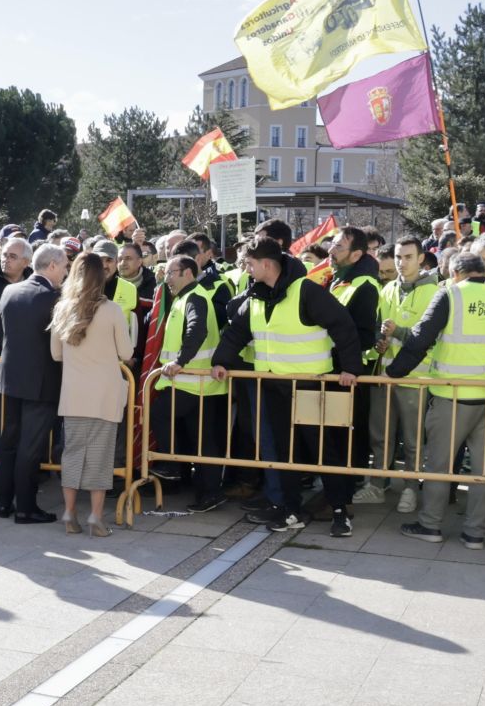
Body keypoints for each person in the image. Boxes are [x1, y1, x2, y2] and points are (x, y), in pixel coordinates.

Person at [209, 237, 365, 537]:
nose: (247, 269)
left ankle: (340, 511)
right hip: (274, 386)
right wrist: (221, 361)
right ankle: (292, 509)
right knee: (284, 453)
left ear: (267, 264)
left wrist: (350, 368)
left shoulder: (305, 291)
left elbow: (342, 325)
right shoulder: (255, 295)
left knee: (324, 453)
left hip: (311, 386)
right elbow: (235, 333)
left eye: (250, 264)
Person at [384, 251, 485, 551]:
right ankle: (475, 534)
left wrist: (393, 373)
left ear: (455, 273)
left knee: (439, 463)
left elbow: (419, 340)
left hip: (454, 395)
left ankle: (430, 525)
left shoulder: (450, 295)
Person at [51, 246, 133, 536]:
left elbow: (56, 354)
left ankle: (69, 512)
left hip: (73, 393)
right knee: (100, 456)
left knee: (72, 454)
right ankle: (96, 517)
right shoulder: (111, 310)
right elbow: (126, 351)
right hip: (105, 393)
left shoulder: (62, 308)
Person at [154, 254, 231, 512]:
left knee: (161, 414)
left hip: (189, 381)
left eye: (171, 273)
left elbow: (197, 330)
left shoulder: (195, 297)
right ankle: (210, 493)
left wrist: (179, 361)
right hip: (195, 382)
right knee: (203, 440)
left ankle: (171, 465)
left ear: (187, 272)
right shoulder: (186, 297)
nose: (167, 280)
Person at [0, 244, 67, 523]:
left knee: (9, 441)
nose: (65, 273)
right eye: (63, 267)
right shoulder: (54, 297)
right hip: (43, 382)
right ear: (51, 266)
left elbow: (1, 335)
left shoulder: (9, 291)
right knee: (31, 447)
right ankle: (25, 507)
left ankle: (4, 503)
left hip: (11, 378)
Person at [374, 237, 440, 514]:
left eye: (408, 257)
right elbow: (380, 324)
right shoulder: (388, 288)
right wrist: (380, 341)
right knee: (380, 434)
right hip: (384, 373)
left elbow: (429, 338)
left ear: (421, 258)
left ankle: (411, 487)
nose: (402, 263)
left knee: (412, 439)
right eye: (399, 257)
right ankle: (377, 484)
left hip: (416, 378)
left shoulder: (435, 291)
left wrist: (397, 332)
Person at [326, 227, 383, 505]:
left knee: (347, 434)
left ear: (356, 254)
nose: (330, 251)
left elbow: (363, 335)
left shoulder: (365, 285)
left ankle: (344, 492)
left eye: (338, 247)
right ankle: (334, 489)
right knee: (334, 434)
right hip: (334, 369)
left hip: (349, 372)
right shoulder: (338, 279)